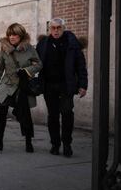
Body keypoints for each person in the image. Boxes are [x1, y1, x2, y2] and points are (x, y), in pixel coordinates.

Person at [36, 18, 87, 157]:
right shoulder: (43, 44)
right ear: (49, 29)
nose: (56, 30)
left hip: (66, 85)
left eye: (58, 28)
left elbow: (81, 65)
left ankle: (67, 144)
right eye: (53, 28)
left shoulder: (72, 43)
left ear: (63, 28)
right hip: (49, 85)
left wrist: (83, 85)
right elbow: (34, 61)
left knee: (67, 114)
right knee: (52, 115)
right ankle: (55, 144)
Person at [0, 23, 43, 152]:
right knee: (1, 112)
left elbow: (39, 64)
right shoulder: (4, 49)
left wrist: (26, 71)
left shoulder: (29, 48)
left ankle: (28, 142)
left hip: (22, 86)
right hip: (7, 85)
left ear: (21, 36)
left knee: (25, 114)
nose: (11, 37)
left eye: (15, 35)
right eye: (10, 34)